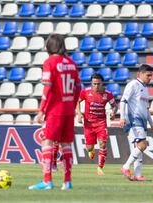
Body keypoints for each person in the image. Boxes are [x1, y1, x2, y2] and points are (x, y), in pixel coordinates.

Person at [29, 34, 81, 190]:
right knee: (66, 144)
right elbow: (78, 88)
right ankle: (67, 181)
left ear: (49, 47)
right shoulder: (72, 64)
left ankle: (47, 181)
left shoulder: (50, 62)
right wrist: (72, 105)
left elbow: (47, 87)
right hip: (68, 110)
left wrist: (41, 110)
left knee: (47, 141)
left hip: (55, 109)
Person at [120, 64, 153, 181]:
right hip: (134, 120)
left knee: (138, 148)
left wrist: (151, 123)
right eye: (148, 75)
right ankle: (125, 166)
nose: (150, 78)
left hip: (143, 121)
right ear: (139, 74)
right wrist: (122, 117)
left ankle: (137, 175)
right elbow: (123, 101)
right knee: (143, 145)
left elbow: (146, 109)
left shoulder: (145, 88)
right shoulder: (133, 85)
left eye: (151, 76)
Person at [76, 73, 118, 176]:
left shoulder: (107, 93)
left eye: (98, 84)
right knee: (89, 147)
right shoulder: (85, 91)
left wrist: (113, 113)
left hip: (101, 123)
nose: (96, 86)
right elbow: (77, 101)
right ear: (91, 83)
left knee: (103, 143)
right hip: (88, 123)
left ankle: (100, 167)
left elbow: (115, 106)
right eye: (94, 84)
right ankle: (91, 150)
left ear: (102, 83)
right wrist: (79, 114)